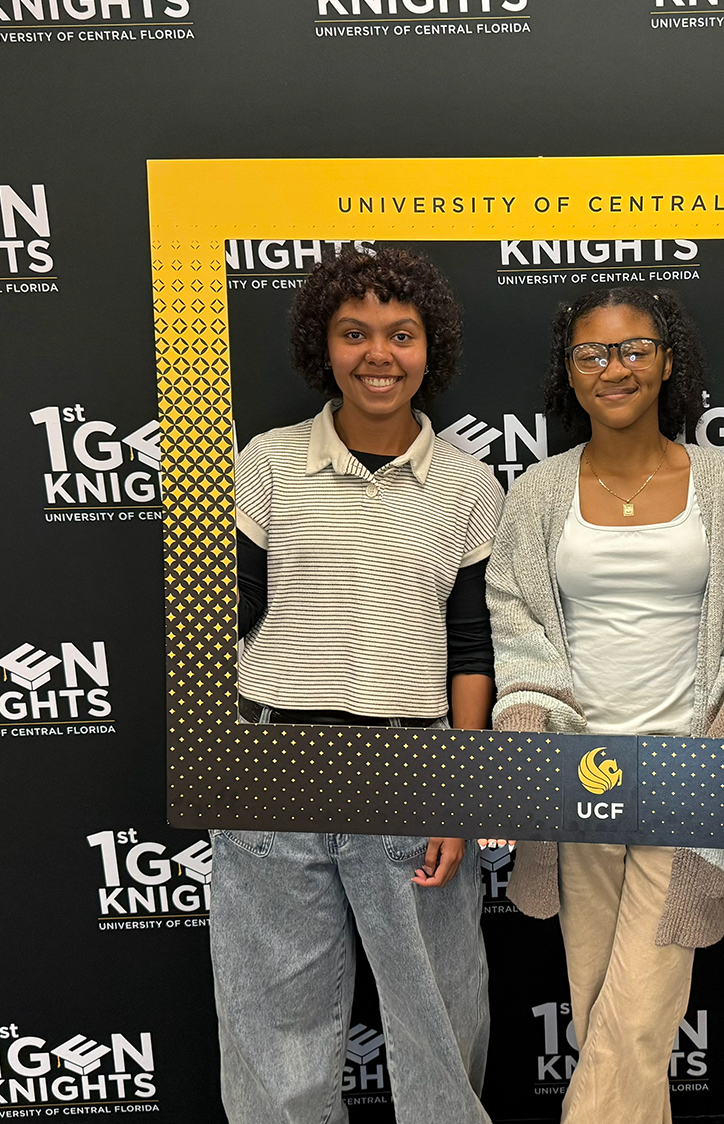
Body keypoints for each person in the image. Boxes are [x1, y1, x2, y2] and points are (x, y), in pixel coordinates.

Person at [482, 286, 724, 1124]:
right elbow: (519, 627)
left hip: (690, 775)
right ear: (568, 376)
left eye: (632, 349)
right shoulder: (539, 492)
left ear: (666, 361)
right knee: (603, 1006)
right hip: (579, 778)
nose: (613, 368)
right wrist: (527, 726)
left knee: (639, 1004)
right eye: (591, 354)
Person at [215, 245, 502, 1124]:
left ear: (430, 350)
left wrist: (460, 791)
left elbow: (470, 647)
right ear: (324, 347)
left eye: (400, 334)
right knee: (275, 1032)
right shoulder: (265, 463)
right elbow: (224, 614)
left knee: (437, 1028)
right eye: (355, 333)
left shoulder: (466, 483)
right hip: (276, 761)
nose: (378, 354)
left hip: (409, 767)